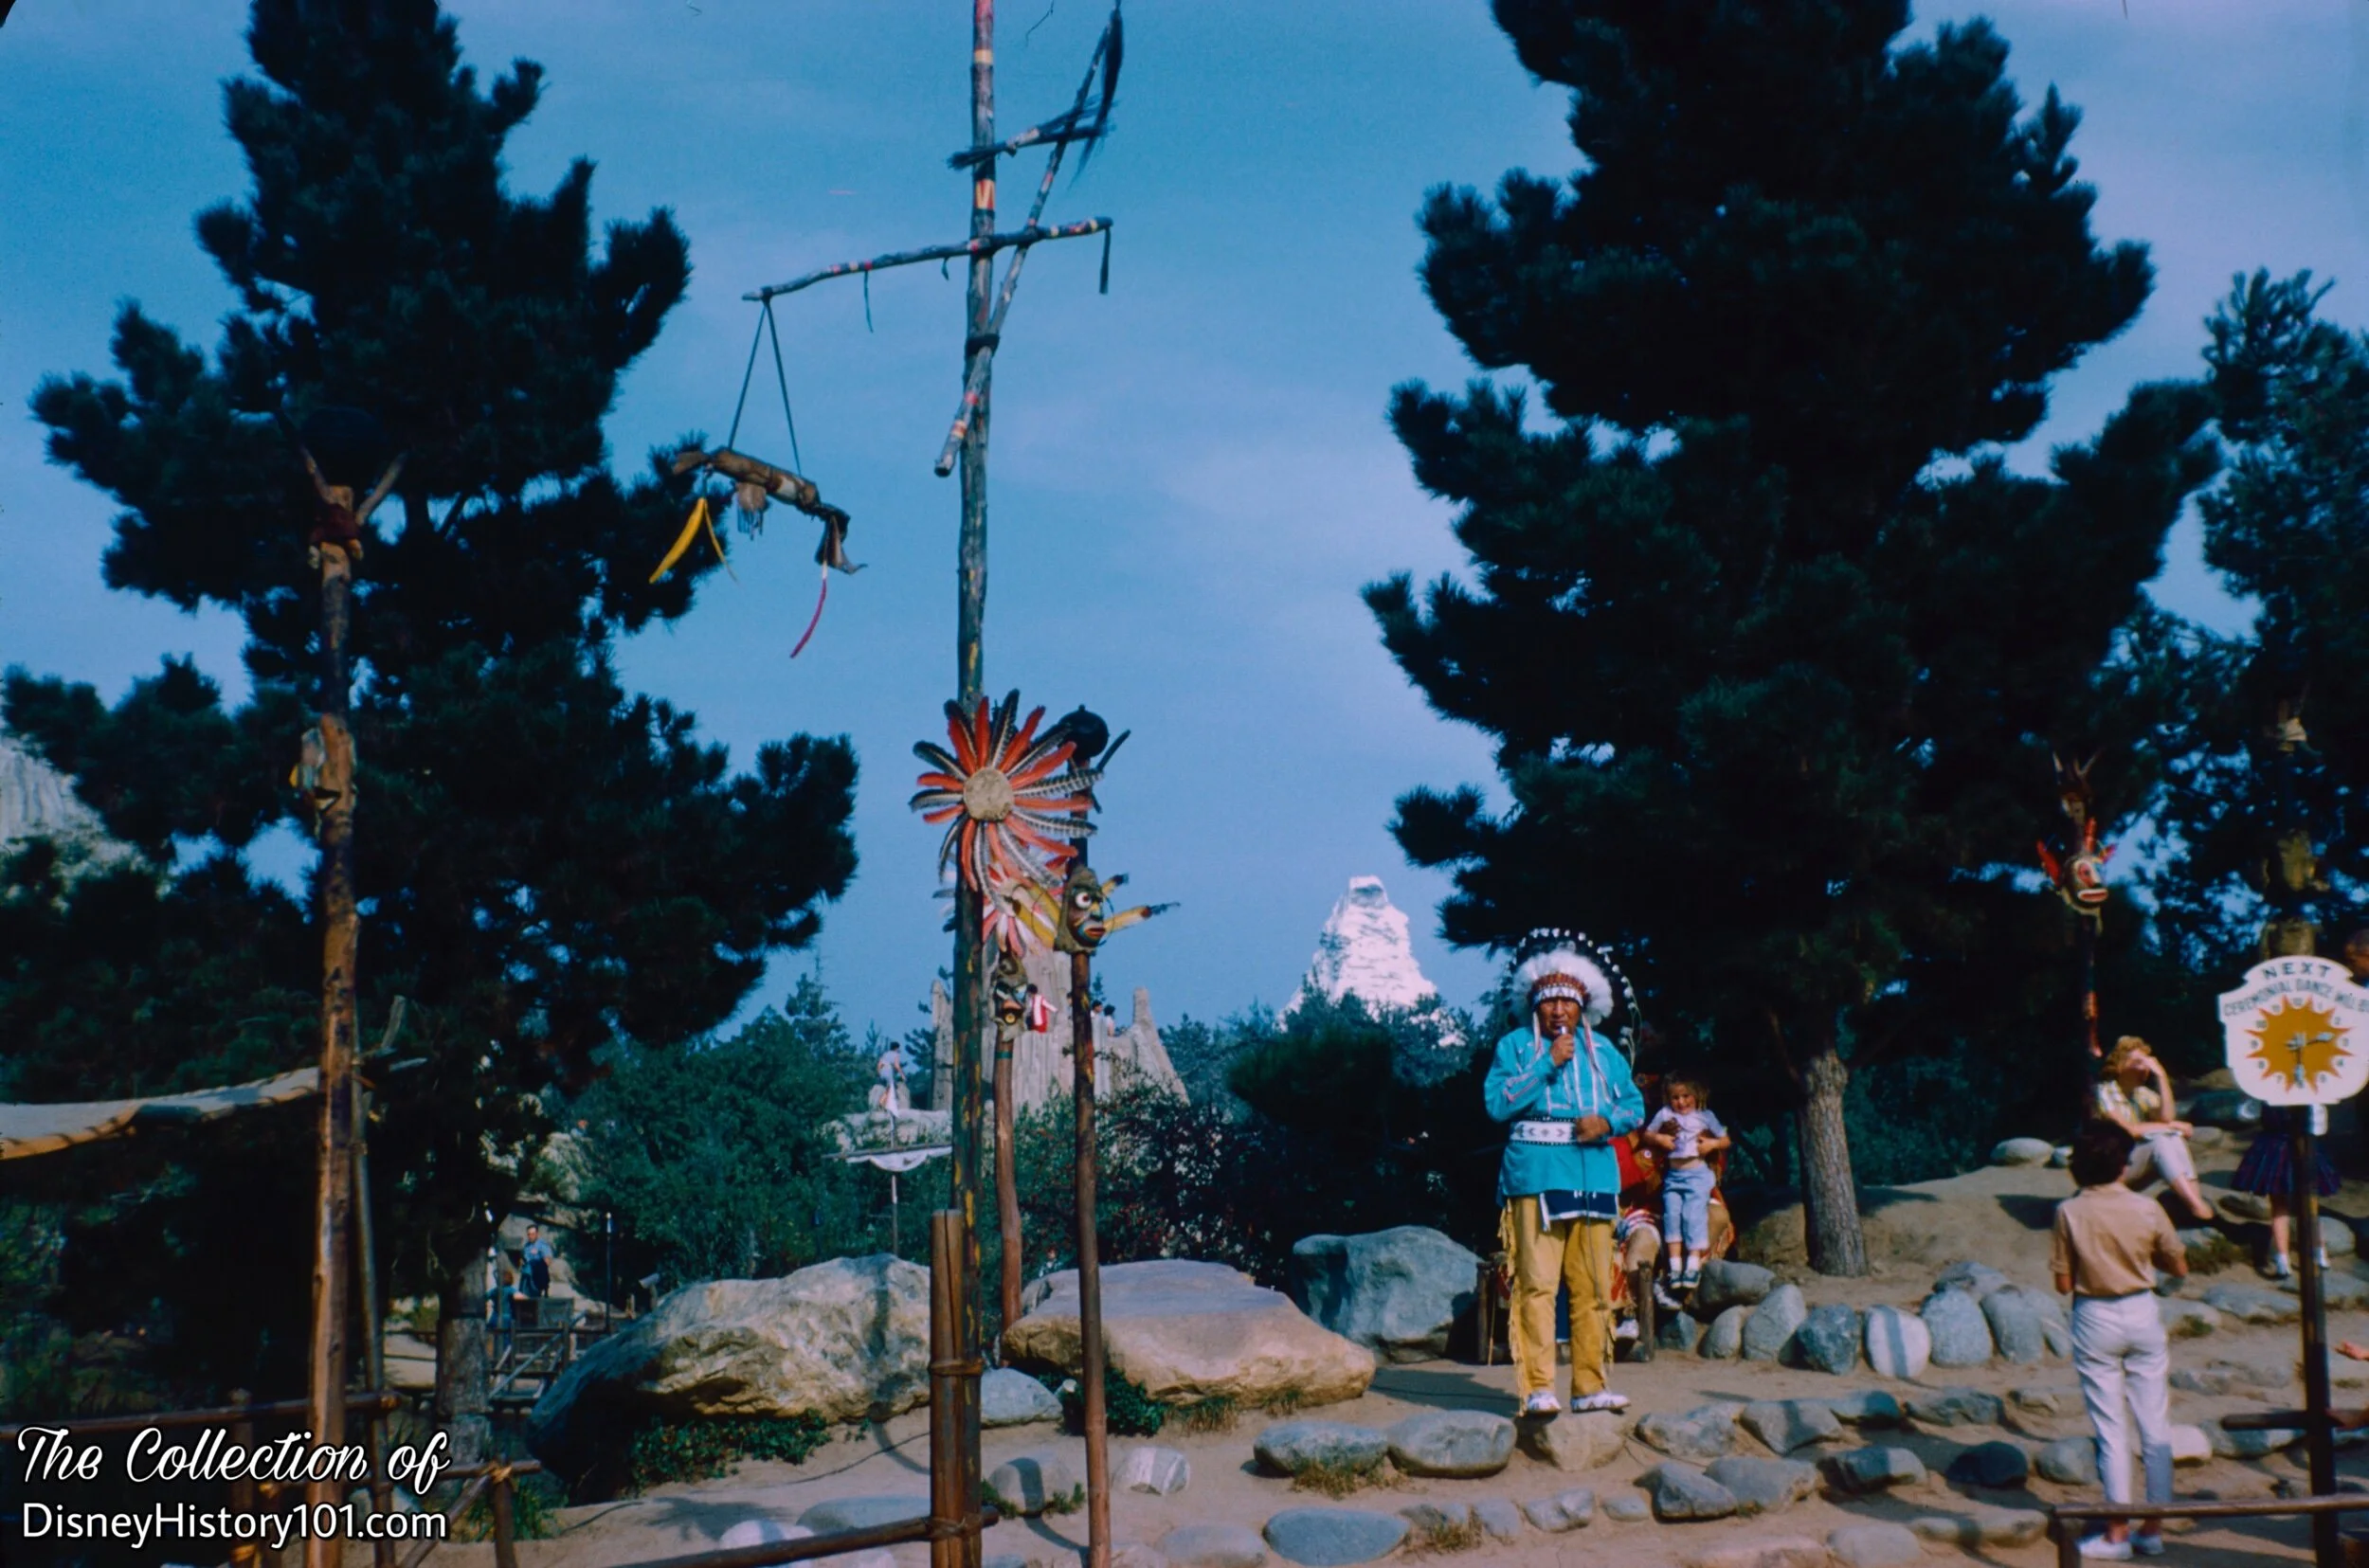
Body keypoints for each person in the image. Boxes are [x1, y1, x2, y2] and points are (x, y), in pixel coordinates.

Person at [1484, 939, 1646, 1417]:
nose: (1558, 1010)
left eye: (1567, 1002)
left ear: (1582, 1006)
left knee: (1595, 1286)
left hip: (1594, 1174)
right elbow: (1498, 1104)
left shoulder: (1607, 1056)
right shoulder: (1514, 1047)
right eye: (1549, 1001)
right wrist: (1548, 1062)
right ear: (1535, 1006)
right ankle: (1538, 1387)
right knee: (1537, 1284)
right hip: (1535, 1175)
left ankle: (1589, 1385)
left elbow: (1632, 1105)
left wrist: (1607, 1123)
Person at [2053, 1118, 2188, 1560]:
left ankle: (2117, 1531)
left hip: (2096, 1314)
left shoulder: (2069, 1212)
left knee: (2111, 1428)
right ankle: (2153, 1526)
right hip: (2142, 1308)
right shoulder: (2148, 1208)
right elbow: (2178, 1266)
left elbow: (2064, 1282)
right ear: (2124, 1166)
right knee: (2155, 1423)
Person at [2093, 1036, 2214, 1223]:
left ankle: (2193, 1203)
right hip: (2107, 1169)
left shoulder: (2141, 1093)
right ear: (2120, 1065)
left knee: (2173, 1138)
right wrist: (2171, 1126)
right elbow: (2130, 1131)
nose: (2145, 1067)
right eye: (2138, 1062)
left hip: (2130, 1165)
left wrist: (2162, 1077)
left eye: (2147, 1062)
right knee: (2161, 1140)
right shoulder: (2103, 1092)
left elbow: (2167, 1117)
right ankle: (2196, 1206)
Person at [1643, 1074, 1729, 1291]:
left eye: (1685, 1096)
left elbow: (1725, 1139)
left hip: (1697, 1175)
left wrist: (1711, 1144)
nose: (1680, 1102)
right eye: (1675, 1098)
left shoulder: (1705, 1116)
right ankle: (1674, 1267)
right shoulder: (1665, 1114)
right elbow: (1648, 1134)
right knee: (1672, 1215)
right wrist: (1660, 1139)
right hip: (1674, 1176)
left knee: (1693, 1215)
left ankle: (1692, 1264)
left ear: (1696, 1095)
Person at [520, 1224, 555, 1299]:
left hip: (538, 1274)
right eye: (529, 1234)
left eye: (532, 1234)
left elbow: (547, 1261)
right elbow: (524, 1258)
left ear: (537, 1234)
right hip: (527, 1273)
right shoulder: (526, 1246)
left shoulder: (542, 1245)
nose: (530, 1236)